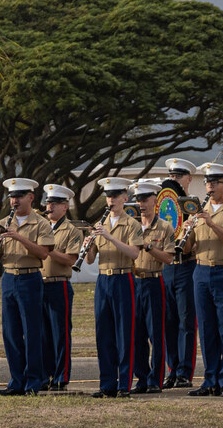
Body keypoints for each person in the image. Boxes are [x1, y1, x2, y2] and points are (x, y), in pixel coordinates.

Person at [181, 163, 223, 397]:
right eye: (207, 182)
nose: (209, 186)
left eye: (214, 182)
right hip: (201, 271)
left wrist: (212, 223)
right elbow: (187, 249)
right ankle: (210, 379)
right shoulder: (198, 212)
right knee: (207, 329)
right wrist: (186, 231)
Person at [0, 178, 54, 396]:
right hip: (9, 278)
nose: (14, 201)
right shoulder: (3, 222)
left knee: (32, 332)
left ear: (31, 197)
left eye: (19, 196)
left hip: (29, 278)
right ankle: (16, 381)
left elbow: (43, 253)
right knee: (11, 332)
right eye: (12, 197)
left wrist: (19, 237)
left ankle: (33, 381)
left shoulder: (41, 223)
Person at [85, 176, 143, 398]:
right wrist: (88, 246)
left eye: (115, 196)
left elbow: (134, 253)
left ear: (125, 198)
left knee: (124, 333)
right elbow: (90, 259)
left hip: (123, 278)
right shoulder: (100, 225)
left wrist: (109, 237)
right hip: (103, 280)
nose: (111, 200)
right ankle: (107, 383)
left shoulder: (132, 224)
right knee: (104, 333)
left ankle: (124, 384)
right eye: (108, 196)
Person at [132, 178, 175, 393]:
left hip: (153, 281)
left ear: (154, 200)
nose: (141, 204)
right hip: (133, 282)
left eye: (145, 199)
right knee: (136, 334)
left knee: (156, 333)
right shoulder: (131, 226)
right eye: (138, 199)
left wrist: (148, 247)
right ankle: (141, 378)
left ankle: (155, 379)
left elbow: (168, 258)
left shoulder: (164, 227)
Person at [40, 183, 83, 392]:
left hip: (59, 284)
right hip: (39, 284)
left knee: (60, 333)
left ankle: (60, 377)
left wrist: (46, 250)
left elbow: (70, 260)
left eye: (55, 203)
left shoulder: (72, 231)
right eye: (48, 202)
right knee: (42, 334)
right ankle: (44, 375)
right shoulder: (40, 227)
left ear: (65, 207)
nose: (50, 206)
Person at [160, 157, 199, 389]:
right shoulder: (163, 204)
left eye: (179, 175)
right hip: (167, 266)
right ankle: (172, 369)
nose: (174, 179)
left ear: (189, 179)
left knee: (186, 321)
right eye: (172, 175)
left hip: (186, 265)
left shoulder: (193, 207)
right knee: (169, 321)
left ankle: (184, 371)